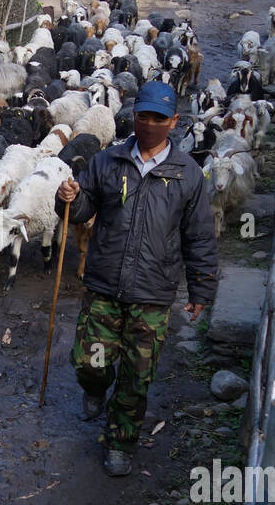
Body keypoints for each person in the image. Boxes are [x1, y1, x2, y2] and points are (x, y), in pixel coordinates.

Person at [55, 81, 219, 477]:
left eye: (158, 118)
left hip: (153, 292)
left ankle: (120, 441)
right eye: (143, 116)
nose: (149, 124)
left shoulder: (188, 175)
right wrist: (70, 199)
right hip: (105, 284)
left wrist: (201, 287)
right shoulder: (107, 162)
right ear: (134, 116)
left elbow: (199, 235)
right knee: (89, 361)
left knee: (136, 374)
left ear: (174, 122)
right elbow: (84, 209)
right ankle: (95, 387)